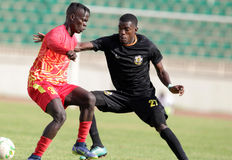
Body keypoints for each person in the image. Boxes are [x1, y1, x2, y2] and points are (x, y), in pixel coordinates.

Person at [34, 13, 189, 160]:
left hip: (144, 97)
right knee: (88, 99)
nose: (122, 32)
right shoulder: (110, 42)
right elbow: (80, 46)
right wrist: (50, 40)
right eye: (120, 28)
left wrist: (170, 86)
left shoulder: (147, 46)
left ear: (135, 30)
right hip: (120, 96)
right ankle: (98, 145)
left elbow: (161, 70)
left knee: (161, 126)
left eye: (126, 29)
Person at [27, 3, 98, 160]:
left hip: (59, 84)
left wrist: (104, 44)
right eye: (83, 20)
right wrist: (67, 52)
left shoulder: (71, 37)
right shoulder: (56, 33)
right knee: (60, 116)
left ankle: (80, 145)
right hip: (40, 82)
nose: (85, 24)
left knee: (89, 99)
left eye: (87, 21)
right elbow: (53, 42)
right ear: (72, 17)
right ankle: (35, 157)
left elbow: (64, 43)